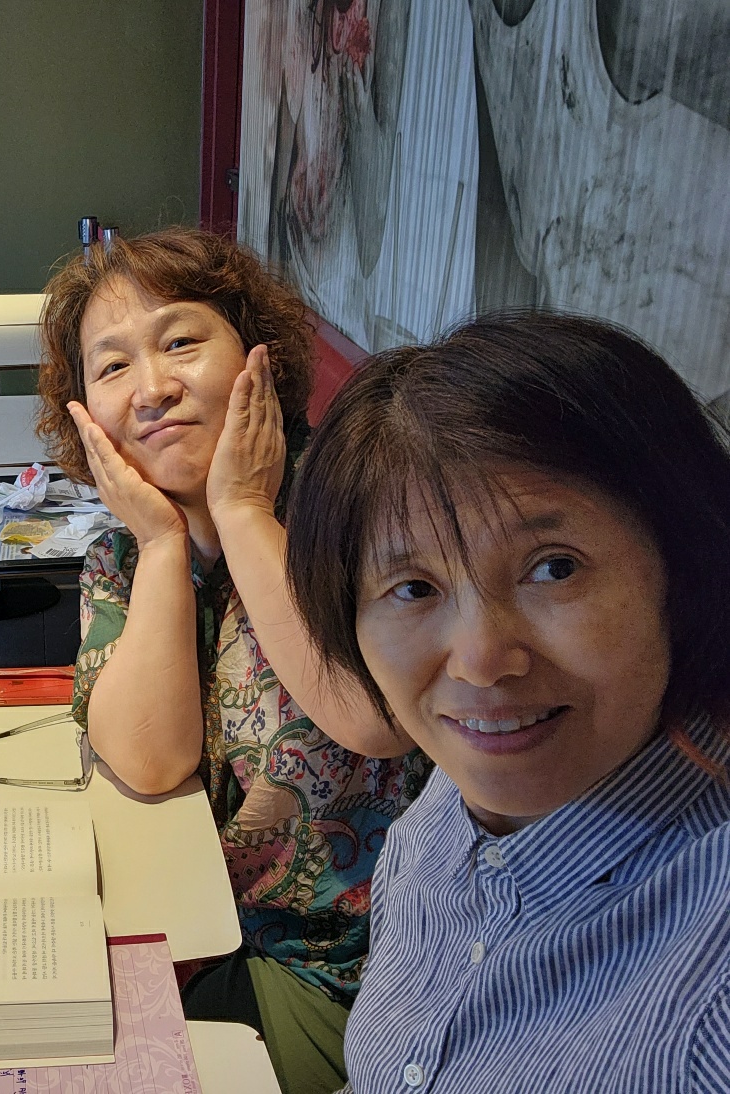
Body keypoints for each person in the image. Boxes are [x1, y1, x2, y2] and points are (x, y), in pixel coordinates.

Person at [284, 312, 730, 1091]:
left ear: (683, 573)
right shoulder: (442, 811)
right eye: (412, 588)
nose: (481, 662)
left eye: (553, 568)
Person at [35, 226, 429, 1094]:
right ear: (84, 415)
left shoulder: (352, 505)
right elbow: (148, 761)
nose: (152, 389)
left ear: (259, 357)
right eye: (112, 367)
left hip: (356, 971)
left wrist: (244, 509)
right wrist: (163, 546)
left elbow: (374, 720)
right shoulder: (122, 554)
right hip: (198, 928)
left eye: (181, 342)